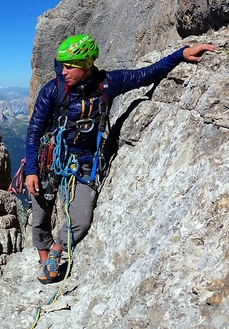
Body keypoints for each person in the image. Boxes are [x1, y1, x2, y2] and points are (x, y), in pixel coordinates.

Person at [25, 34, 218, 284]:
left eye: (68, 66)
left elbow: (146, 75)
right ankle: (44, 260)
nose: (63, 72)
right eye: (61, 66)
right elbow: (34, 131)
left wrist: (180, 54)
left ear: (85, 65)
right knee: (40, 214)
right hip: (50, 159)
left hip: (86, 161)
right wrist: (31, 169)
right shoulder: (53, 90)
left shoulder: (108, 83)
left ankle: (56, 252)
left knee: (81, 220)